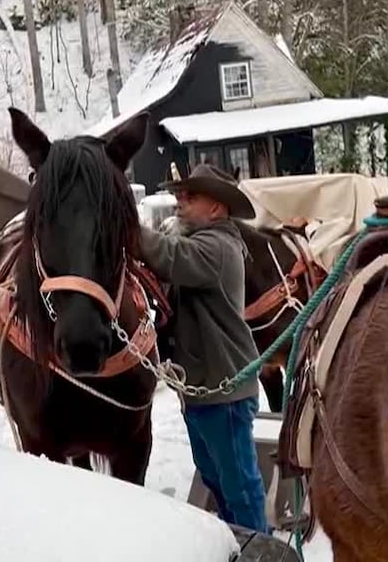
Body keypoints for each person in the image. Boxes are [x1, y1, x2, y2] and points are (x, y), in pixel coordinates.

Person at [137, 163, 270, 534]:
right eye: (179, 195)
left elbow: (169, 257)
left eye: (190, 196)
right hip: (205, 389)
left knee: (240, 489)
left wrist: (123, 225)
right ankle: (241, 545)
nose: (180, 201)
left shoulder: (219, 246)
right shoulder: (204, 243)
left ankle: (261, 552)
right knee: (219, 483)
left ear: (216, 208)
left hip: (222, 391)